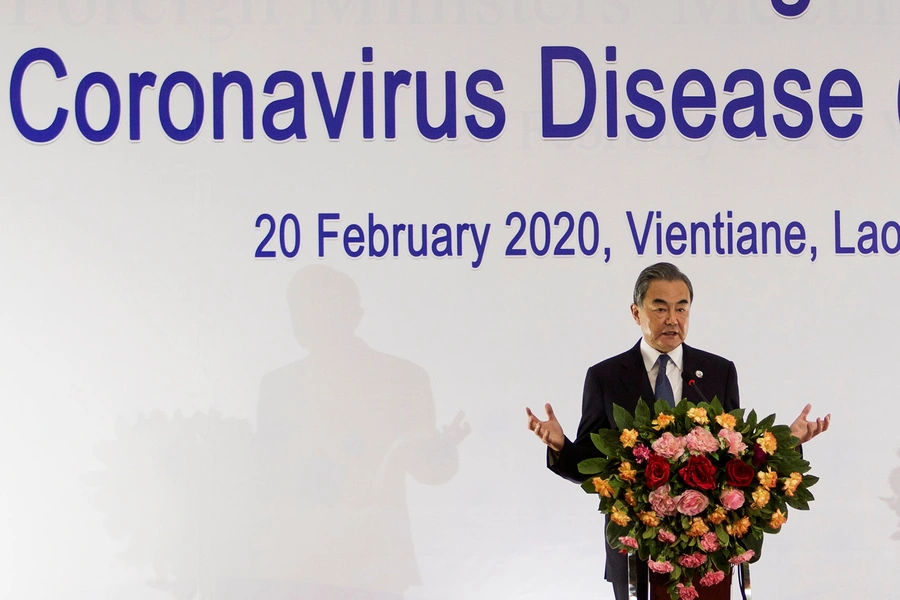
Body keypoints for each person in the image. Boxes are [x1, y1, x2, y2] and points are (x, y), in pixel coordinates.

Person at [525, 262, 830, 600]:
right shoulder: (606, 377)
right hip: (635, 556)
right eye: (660, 308)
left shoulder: (718, 372)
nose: (672, 318)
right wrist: (560, 447)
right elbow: (592, 465)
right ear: (636, 312)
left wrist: (787, 443)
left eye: (681, 308)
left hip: (706, 551)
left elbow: (736, 457)